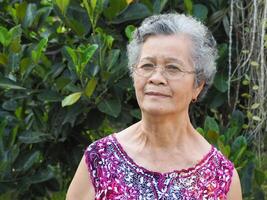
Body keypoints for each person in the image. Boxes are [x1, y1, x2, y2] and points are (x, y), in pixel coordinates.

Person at [66, 13, 242, 200]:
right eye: (147, 65)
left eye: (173, 68)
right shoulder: (99, 159)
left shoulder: (221, 178)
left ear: (197, 85)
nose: (156, 78)